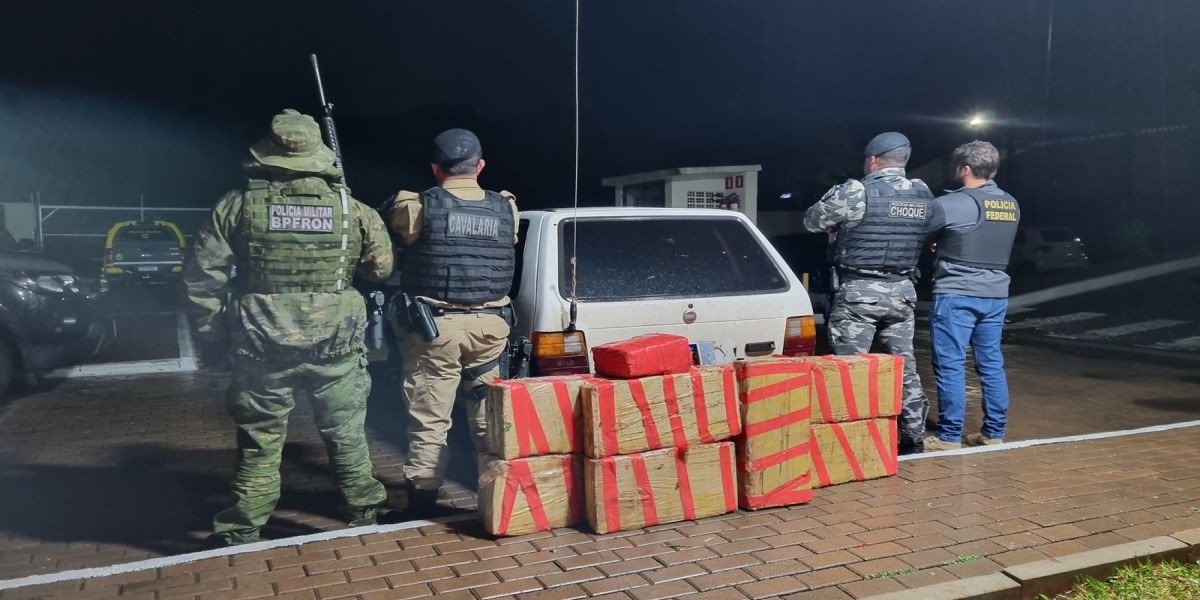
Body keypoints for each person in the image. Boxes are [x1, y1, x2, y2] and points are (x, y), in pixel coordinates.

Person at [183, 109, 393, 545]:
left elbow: (203, 281)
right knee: (346, 432)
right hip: (335, 345)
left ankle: (243, 527)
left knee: (260, 441)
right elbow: (381, 270)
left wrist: (212, 339)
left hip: (263, 345)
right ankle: (363, 509)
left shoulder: (238, 205)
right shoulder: (352, 209)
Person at [381, 128, 518, 517]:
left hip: (435, 329)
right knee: (488, 419)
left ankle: (422, 504)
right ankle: (498, 498)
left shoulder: (418, 206)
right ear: (480, 166)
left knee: (430, 419)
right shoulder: (504, 206)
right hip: (491, 328)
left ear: (435, 168)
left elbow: (389, 225)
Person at [804, 132, 934, 455]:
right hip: (903, 292)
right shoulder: (922, 192)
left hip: (860, 293)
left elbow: (811, 221)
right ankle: (912, 437)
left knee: (850, 369)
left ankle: (852, 440)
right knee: (904, 367)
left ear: (873, 159)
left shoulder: (857, 191)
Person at [924, 141, 1020, 451]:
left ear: (965, 169)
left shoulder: (954, 203)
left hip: (958, 292)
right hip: (996, 295)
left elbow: (921, 229)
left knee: (951, 364)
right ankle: (993, 432)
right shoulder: (1010, 203)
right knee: (991, 364)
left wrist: (937, 241)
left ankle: (949, 435)